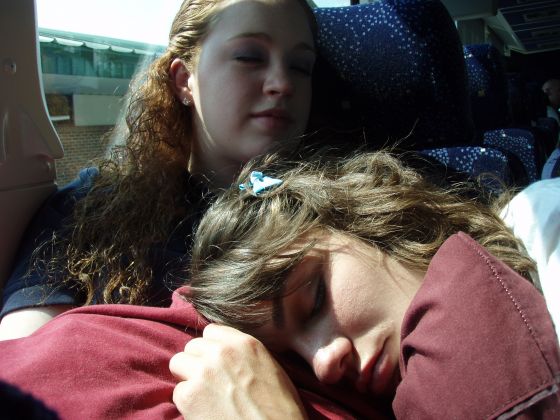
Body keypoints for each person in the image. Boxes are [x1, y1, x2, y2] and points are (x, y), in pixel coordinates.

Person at [0, 0, 318, 340]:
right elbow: (24, 357)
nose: (283, 83)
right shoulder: (89, 210)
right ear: (184, 81)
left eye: (300, 66)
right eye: (249, 57)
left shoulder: (334, 215)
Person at [178, 150, 560, 418]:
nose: (324, 364)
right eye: (296, 361)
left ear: (367, 221)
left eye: (315, 300)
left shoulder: (545, 225)